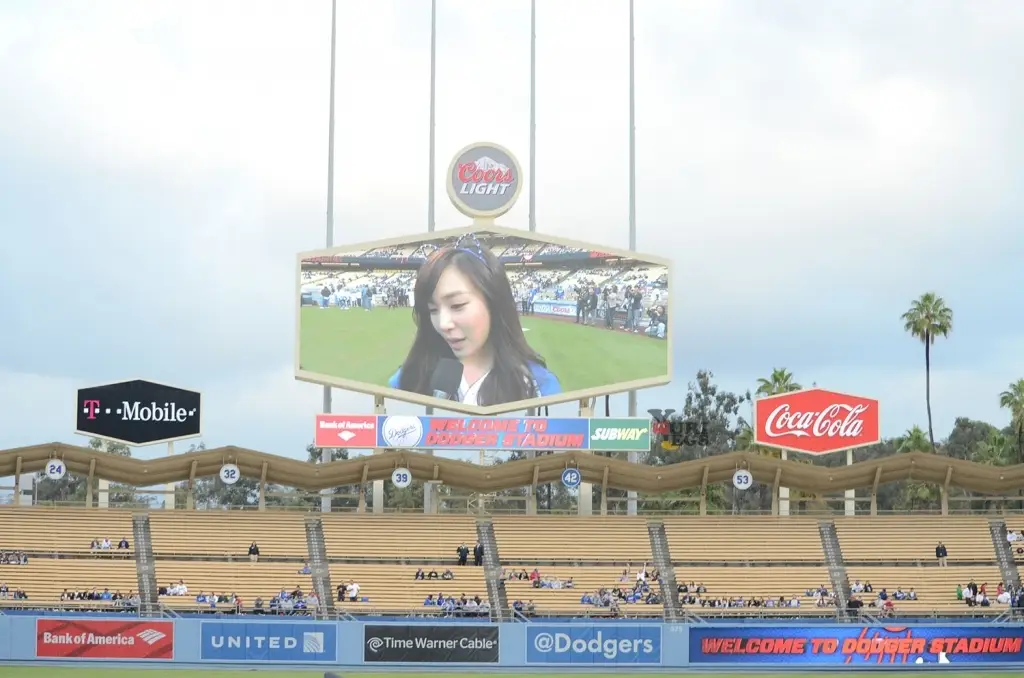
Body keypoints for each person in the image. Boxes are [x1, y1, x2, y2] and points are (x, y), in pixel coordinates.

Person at [388, 234, 561, 406]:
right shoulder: (407, 381)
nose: (443, 324)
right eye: (433, 310)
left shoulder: (537, 386)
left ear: (493, 302)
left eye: (457, 305)